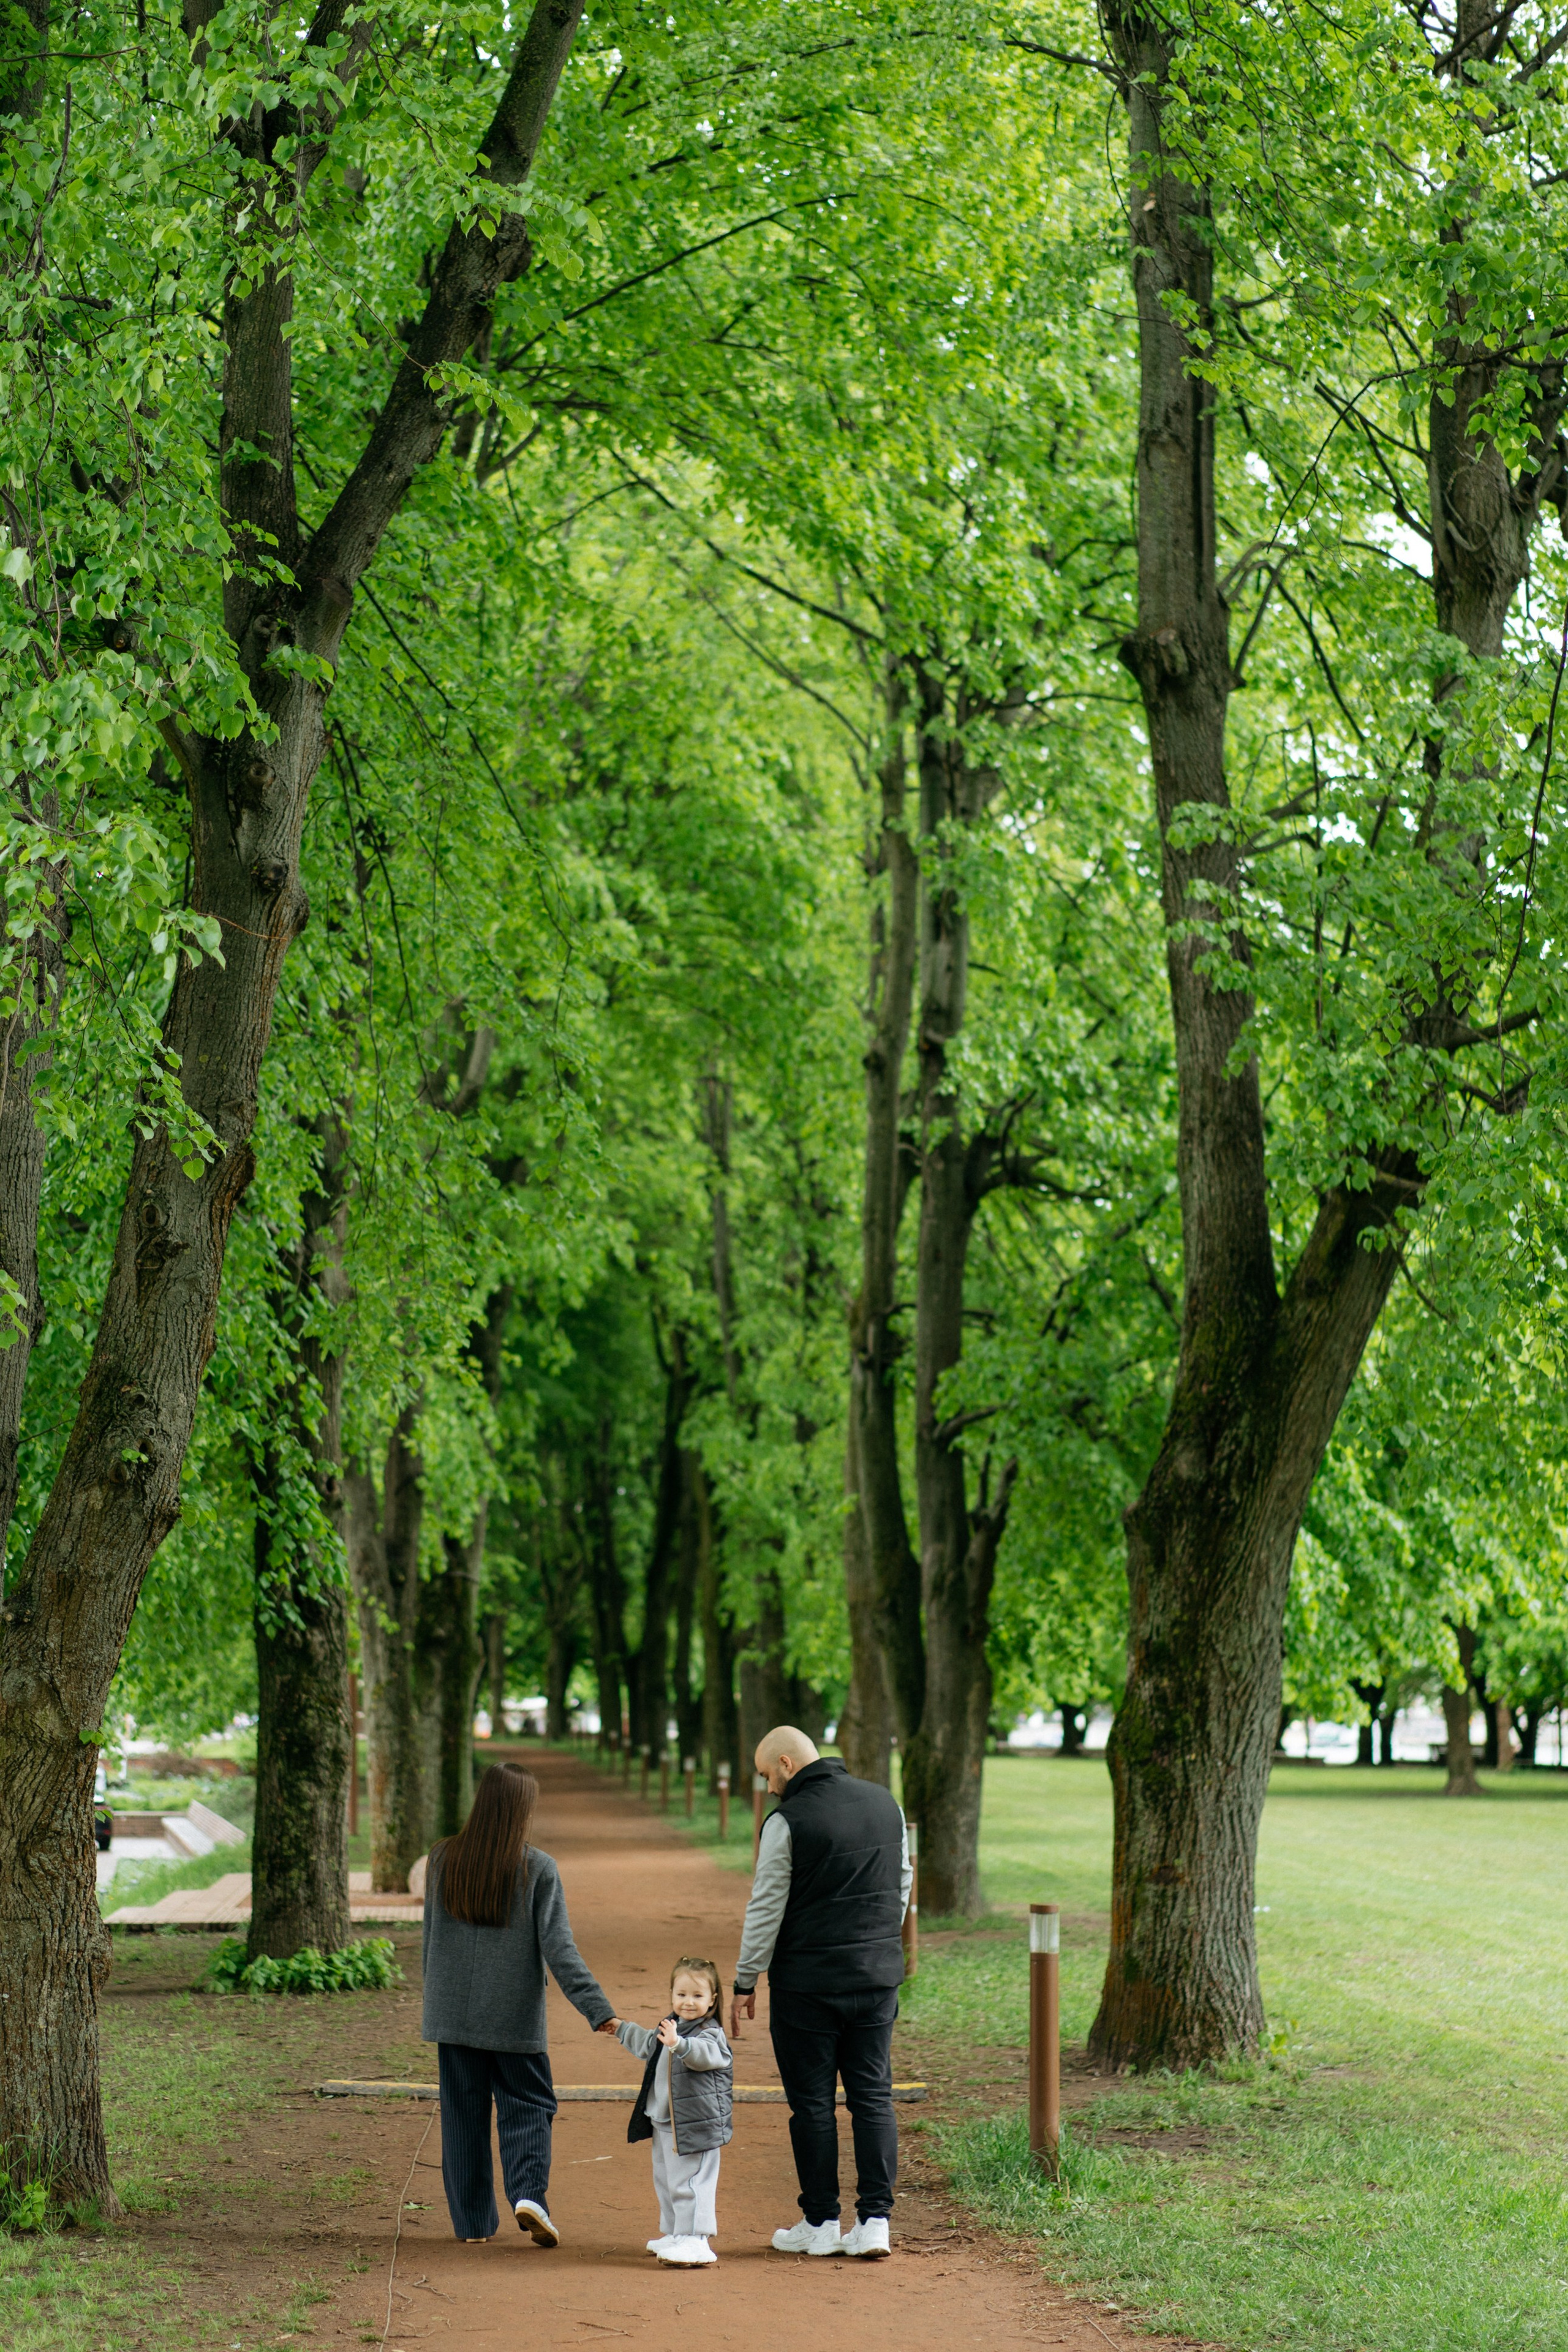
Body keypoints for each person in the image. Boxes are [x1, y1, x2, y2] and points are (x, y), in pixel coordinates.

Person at [730, 1725, 912, 2261]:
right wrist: (877, 1941)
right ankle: (875, 2221)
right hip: (876, 1978)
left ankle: (821, 2223)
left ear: (787, 1764)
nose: (766, 1788)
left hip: (807, 1986)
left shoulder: (787, 1821)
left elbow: (766, 1906)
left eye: (766, 1775)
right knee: (873, 2096)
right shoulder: (886, 1804)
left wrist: (746, 1979)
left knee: (812, 2104)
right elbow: (901, 1881)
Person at [421, 1761, 618, 2245]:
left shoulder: (442, 1858)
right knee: (528, 2104)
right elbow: (560, 1950)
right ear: (522, 1809)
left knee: (462, 2115)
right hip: (512, 2016)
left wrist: (437, 2004)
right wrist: (598, 2009)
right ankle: (528, 2193)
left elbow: (429, 1937)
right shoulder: (537, 1868)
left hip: (452, 2014)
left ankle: (472, 2225)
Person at [609, 1956, 734, 2268]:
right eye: (681, 1995)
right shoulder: (671, 2027)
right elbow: (648, 2044)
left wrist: (679, 2044)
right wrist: (619, 2028)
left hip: (695, 2124)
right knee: (666, 2178)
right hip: (665, 2120)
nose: (688, 2002)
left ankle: (696, 2239)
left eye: (697, 1996)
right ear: (671, 1995)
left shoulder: (710, 2033)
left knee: (691, 2180)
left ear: (713, 1999)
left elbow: (706, 2056)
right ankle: (677, 2232)